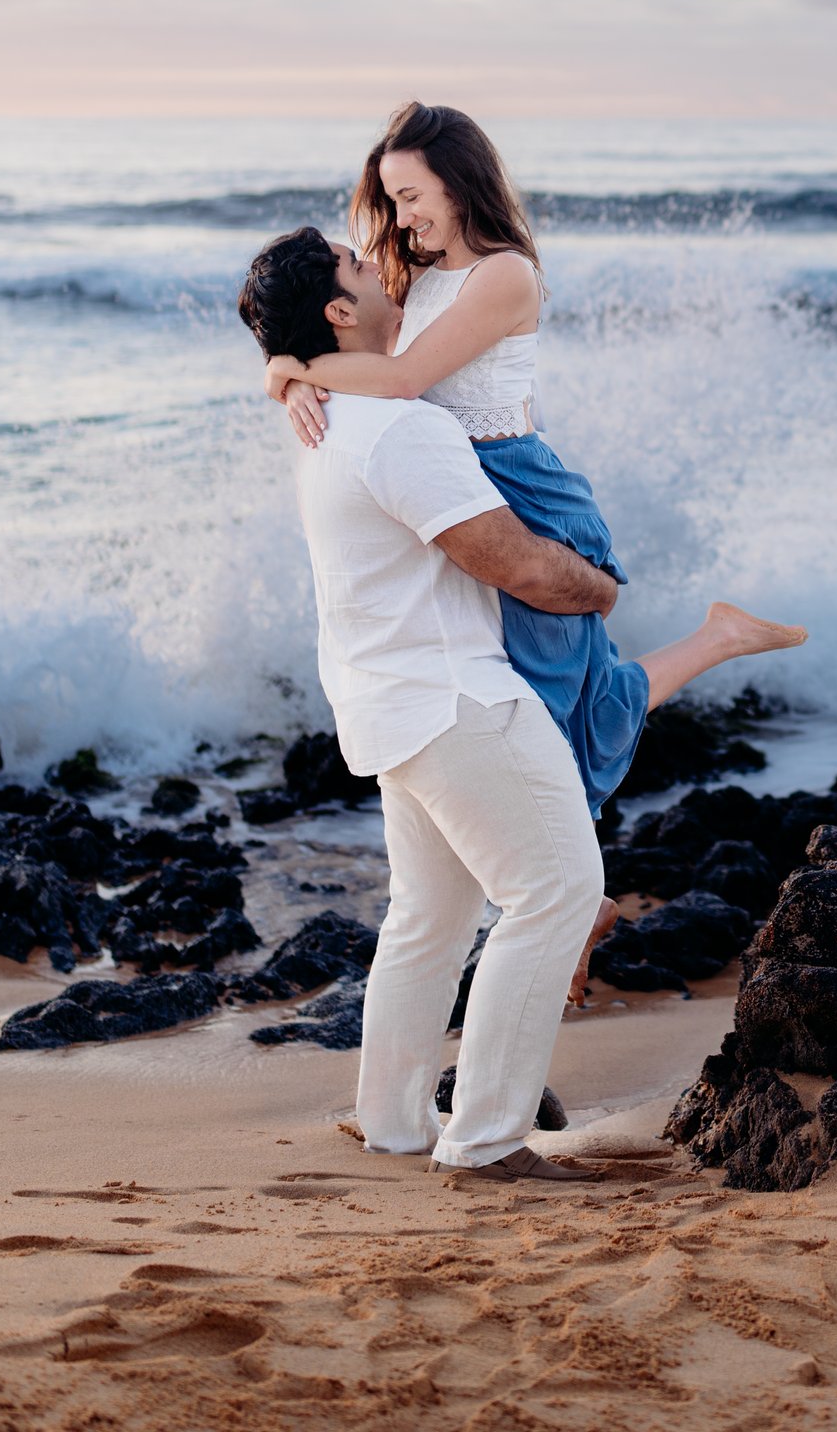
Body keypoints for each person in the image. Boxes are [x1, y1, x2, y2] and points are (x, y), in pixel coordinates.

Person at [262, 101, 808, 810]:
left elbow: (401, 379)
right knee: (554, 691)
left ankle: (571, 887)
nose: (400, 220)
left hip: (523, 487)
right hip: (466, 487)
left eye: (411, 197)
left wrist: (291, 370)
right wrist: (284, 370)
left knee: (548, 702)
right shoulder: (417, 277)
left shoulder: (504, 275)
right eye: (393, 201)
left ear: (458, 185)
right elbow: (359, 342)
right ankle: (719, 637)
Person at [237, 225, 613, 1183]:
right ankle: (486, 1141)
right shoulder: (400, 426)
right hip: (456, 700)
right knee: (558, 891)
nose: (380, 271)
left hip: (386, 704)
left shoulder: (324, 422)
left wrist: (283, 373)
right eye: (359, 270)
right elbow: (513, 562)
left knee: (430, 919)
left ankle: (396, 1123)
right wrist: (600, 588)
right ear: (337, 312)